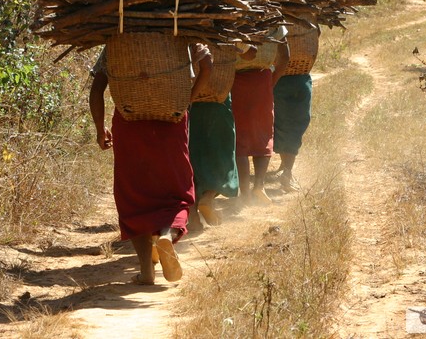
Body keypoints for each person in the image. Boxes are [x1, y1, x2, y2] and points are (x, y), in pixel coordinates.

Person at [89, 40, 211, 285]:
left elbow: (97, 88)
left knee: (134, 197)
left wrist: (100, 128)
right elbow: (207, 66)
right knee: (177, 191)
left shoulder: (117, 42)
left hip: (128, 123)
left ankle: (146, 271)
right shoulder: (182, 36)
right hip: (172, 122)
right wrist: (188, 100)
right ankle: (167, 234)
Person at [187, 43, 255, 228]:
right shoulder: (226, 30)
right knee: (223, 157)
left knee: (191, 160)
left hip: (187, 103)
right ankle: (208, 198)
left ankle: (192, 216)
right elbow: (250, 54)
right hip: (218, 101)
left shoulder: (184, 33)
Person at [230, 27, 289, 205]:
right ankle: (259, 186)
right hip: (262, 79)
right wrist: (271, 82)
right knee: (263, 135)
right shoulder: (273, 19)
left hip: (235, 81)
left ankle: (245, 192)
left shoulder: (234, 18)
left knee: (240, 138)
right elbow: (285, 57)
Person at [273, 16, 320, 192]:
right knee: (294, 124)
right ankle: (287, 170)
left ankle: (286, 169)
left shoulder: (273, 16)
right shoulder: (307, 18)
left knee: (282, 124)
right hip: (297, 79)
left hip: (279, 78)